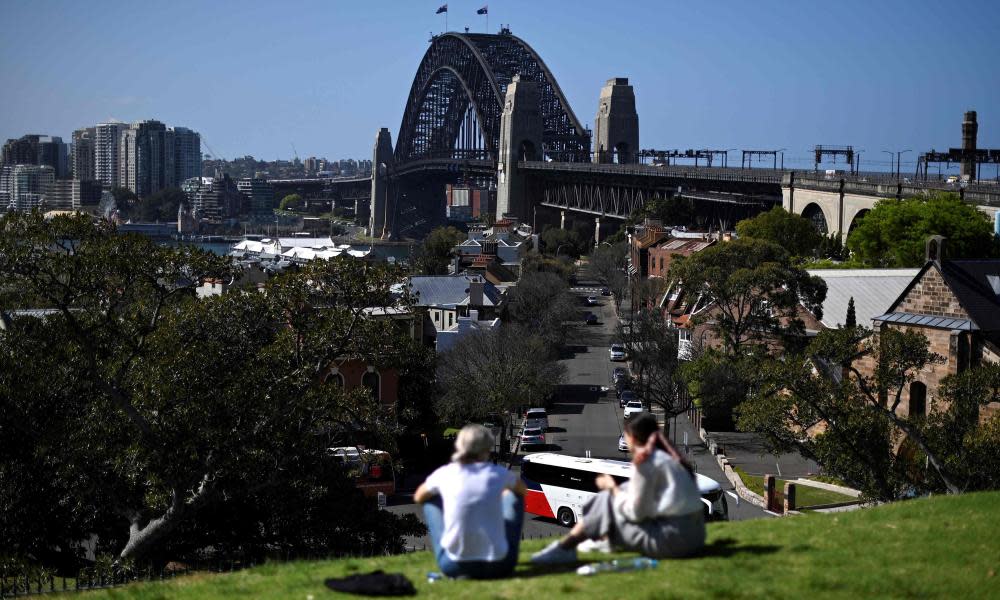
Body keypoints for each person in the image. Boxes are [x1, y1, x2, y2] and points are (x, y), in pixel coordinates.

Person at [530, 413, 705, 564]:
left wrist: (612, 487)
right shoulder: (672, 460)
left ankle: (564, 548)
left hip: (672, 543)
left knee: (605, 497)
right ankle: (599, 541)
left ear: (633, 437)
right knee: (612, 498)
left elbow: (635, 513)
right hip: (695, 538)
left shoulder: (646, 463)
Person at [414, 424, 526, 578]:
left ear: (460, 447)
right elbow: (522, 491)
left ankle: (451, 544)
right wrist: (503, 493)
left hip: (454, 566)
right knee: (514, 495)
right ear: (487, 449)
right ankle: (503, 545)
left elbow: (419, 496)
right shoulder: (498, 473)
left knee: (430, 500)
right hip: (501, 565)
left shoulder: (445, 474)